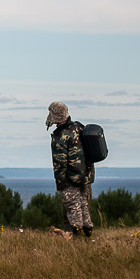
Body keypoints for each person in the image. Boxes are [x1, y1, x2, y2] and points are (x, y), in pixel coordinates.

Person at [46, 101, 94, 238]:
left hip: (71, 178)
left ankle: (77, 239)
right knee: (84, 205)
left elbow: (59, 163)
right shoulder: (79, 128)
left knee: (73, 207)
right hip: (86, 176)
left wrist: (60, 183)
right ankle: (88, 235)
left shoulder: (60, 135)